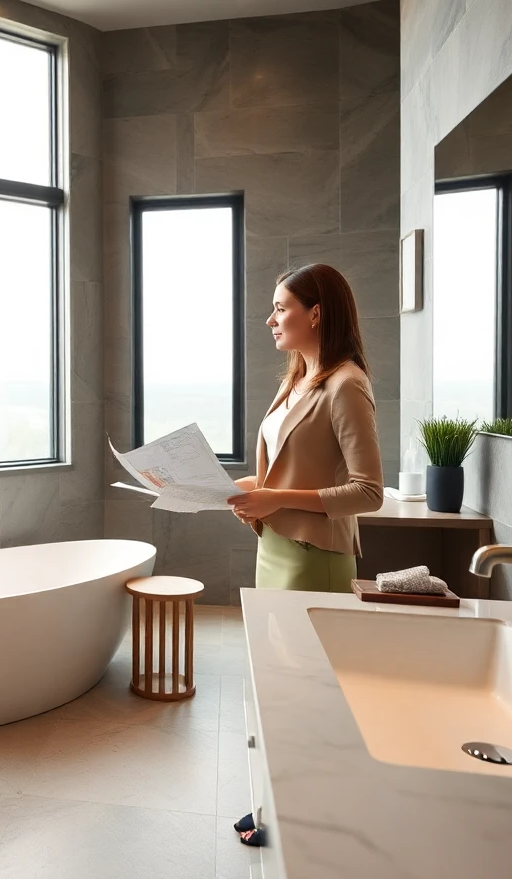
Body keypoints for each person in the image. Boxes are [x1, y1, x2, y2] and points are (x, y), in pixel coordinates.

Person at [226, 263, 383, 846]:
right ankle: (276, 798)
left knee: (305, 689)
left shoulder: (345, 386)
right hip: (277, 552)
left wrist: (273, 499)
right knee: (278, 684)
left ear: (316, 313)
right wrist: (241, 492)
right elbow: (282, 471)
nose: (270, 319)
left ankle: (301, 811)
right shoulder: (297, 380)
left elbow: (369, 491)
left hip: (315, 557)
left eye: (281, 308)